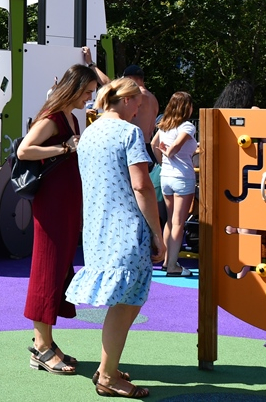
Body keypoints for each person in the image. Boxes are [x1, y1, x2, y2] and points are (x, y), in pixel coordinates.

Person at [65, 78, 165, 399]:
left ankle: (108, 367)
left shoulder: (90, 133)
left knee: (122, 302)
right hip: (126, 228)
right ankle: (107, 375)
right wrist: (158, 234)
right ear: (124, 101)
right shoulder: (129, 133)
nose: (140, 109)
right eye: (137, 103)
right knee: (127, 303)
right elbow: (142, 186)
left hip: (97, 228)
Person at [17, 64, 98, 376]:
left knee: (59, 267)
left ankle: (47, 342)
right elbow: (25, 150)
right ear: (74, 88)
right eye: (87, 92)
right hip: (51, 203)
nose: (90, 98)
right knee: (47, 269)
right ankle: (41, 346)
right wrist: (65, 146)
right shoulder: (53, 117)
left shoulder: (70, 116)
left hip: (65, 203)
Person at [151, 91, 198, 277]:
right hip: (182, 177)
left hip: (166, 176)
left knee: (170, 221)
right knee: (179, 222)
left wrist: (163, 161)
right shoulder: (187, 126)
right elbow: (174, 149)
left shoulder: (163, 126)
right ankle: (172, 265)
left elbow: (155, 145)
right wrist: (169, 152)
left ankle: (166, 260)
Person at [122, 65, 159, 160]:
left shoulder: (136, 96)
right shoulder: (153, 99)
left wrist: (91, 65)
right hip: (148, 147)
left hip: (136, 147)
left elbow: (108, 85)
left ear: (129, 78)